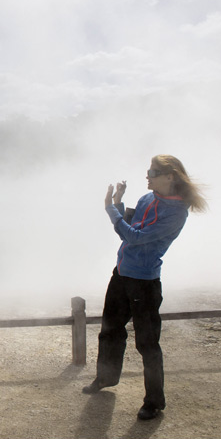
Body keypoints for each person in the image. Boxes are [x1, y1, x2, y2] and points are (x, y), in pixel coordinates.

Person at [82, 155, 207, 419]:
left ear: (170, 176)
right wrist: (118, 203)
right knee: (110, 331)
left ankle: (154, 401)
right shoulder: (146, 199)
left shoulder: (176, 212)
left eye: (152, 171)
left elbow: (135, 236)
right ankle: (105, 378)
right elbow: (129, 224)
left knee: (147, 344)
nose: (147, 175)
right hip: (121, 274)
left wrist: (109, 208)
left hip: (145, 283)